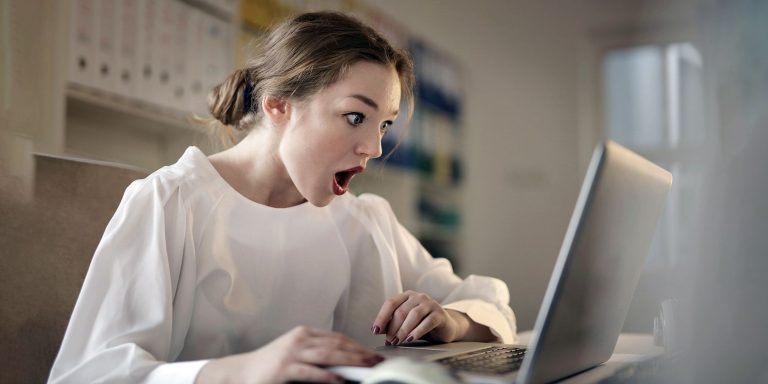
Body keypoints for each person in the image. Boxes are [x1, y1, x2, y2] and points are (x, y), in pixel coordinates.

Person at [49, 11, 517, 384]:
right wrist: (240, 372)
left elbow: (487, 303)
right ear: (278, 105)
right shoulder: (171, 202)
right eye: (356, 117)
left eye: (385, 124)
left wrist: (452, 321)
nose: (374, 148)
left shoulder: (365, 219)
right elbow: (88, 372)